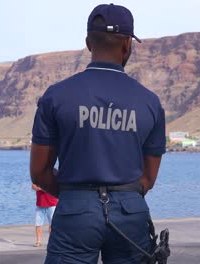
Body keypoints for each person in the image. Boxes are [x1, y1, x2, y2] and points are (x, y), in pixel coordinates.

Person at [29, 3, 166, 264]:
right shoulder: (150, 102)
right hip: (130, 210)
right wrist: (120, 194)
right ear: (127, 44)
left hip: (74, 210)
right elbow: (148, 178)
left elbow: (39, 171)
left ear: (88, 43)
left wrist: (78, 195)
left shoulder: (56, 96)